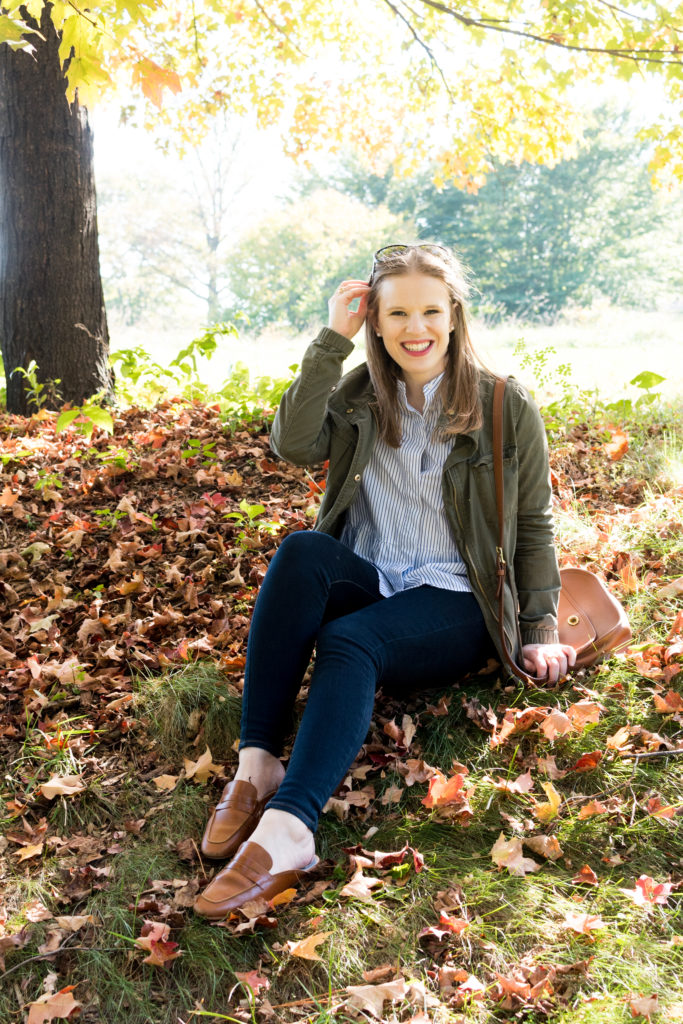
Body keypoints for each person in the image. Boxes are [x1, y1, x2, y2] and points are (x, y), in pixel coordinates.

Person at [193, 242, 576, 920]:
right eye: (395, 313)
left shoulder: (500, 403)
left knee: (348, 641)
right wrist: (328, 343)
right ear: (374, 320)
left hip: (459, 597)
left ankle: (290, 830)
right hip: (377, 574)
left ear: (454, 314)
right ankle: (258, 762)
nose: (414, 327)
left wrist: (540, 626)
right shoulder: (358, 394)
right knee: (302, 551)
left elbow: (532, 521)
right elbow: (290, 445)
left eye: (430, 310)